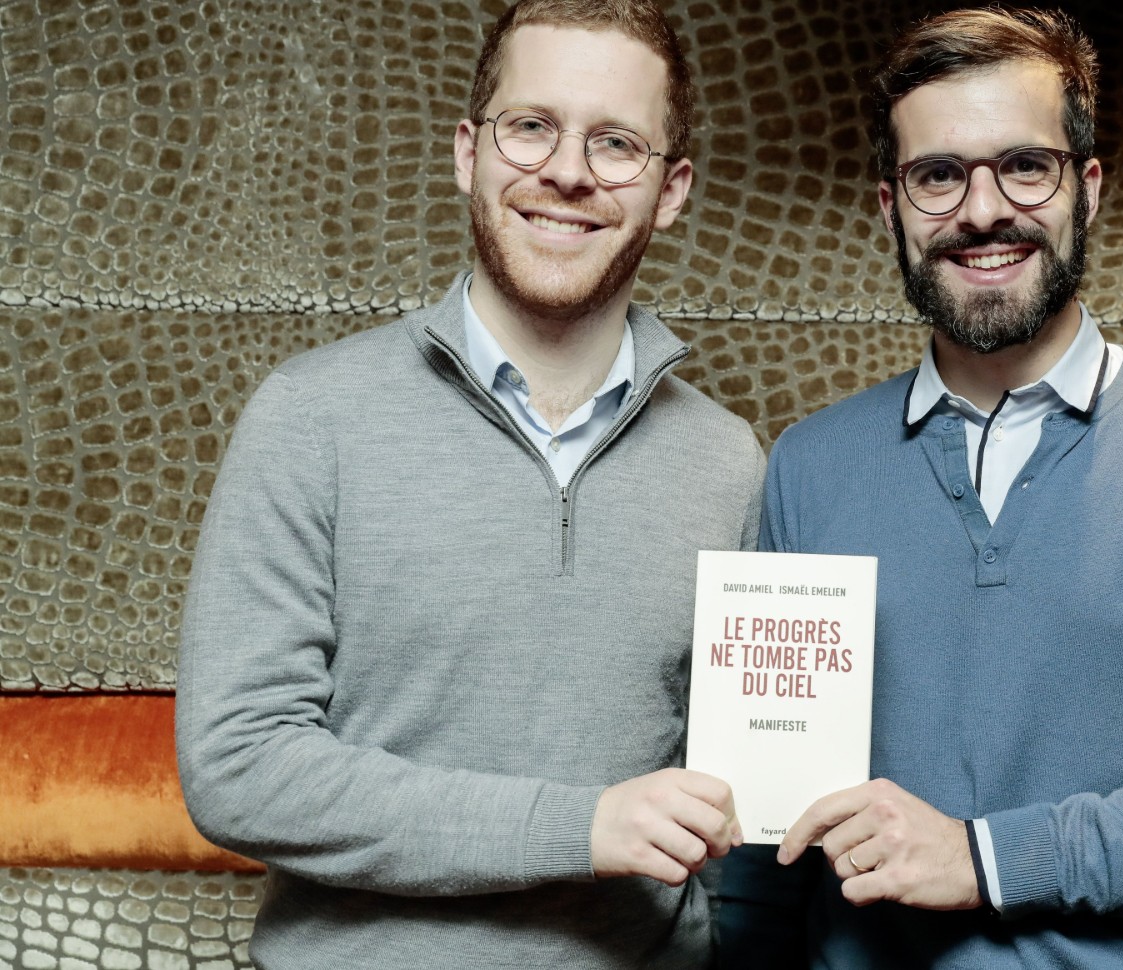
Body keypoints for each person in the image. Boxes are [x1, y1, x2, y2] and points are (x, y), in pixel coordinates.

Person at [718, 8, 1123, 968]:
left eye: (1025, 166)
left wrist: (987, 858)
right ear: (890, 207)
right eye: (939, 174)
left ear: (1086, 190)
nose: (983, 210)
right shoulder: (809, 466)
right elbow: (766, 840)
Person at [176, 2, 765, 967]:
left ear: (671, 191)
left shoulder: (728, 461)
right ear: (469, 153)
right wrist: (577, 829)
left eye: (617, 143)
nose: (568, 171)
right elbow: (238, 767)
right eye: (531, 126)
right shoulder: (310, 418)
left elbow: (743, 795)